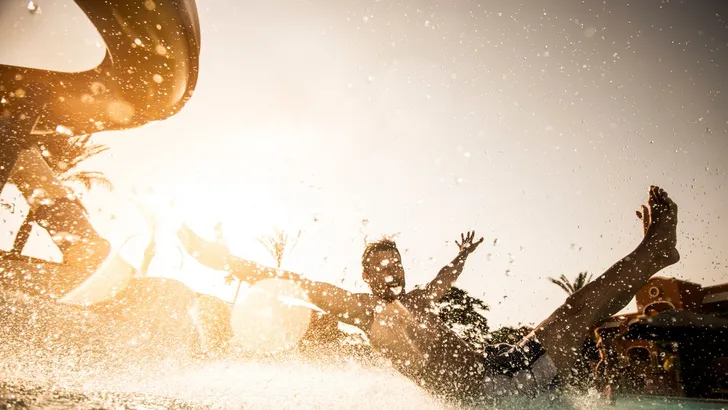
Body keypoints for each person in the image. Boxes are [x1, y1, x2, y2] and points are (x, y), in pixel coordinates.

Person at [178, 185, 680, 404]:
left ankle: (653, 254)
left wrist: (461, 256)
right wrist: (222, 260)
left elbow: (443, 279)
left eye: (395, 262)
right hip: (495, 391)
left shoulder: (416, 300)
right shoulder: (363, 309)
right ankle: (654, 252)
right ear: (366, 276)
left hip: (502, 368)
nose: (391, 271)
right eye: (380, 267)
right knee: (576, 310)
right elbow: (297, 282)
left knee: (575, 311)